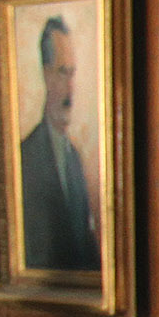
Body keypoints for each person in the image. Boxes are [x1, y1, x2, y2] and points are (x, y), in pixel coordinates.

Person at [19, 15, 97, 271]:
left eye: (72, 73)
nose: (70, 89)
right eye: (63, 73)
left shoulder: (74, 158)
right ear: (46, 75)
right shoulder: (25, 159)